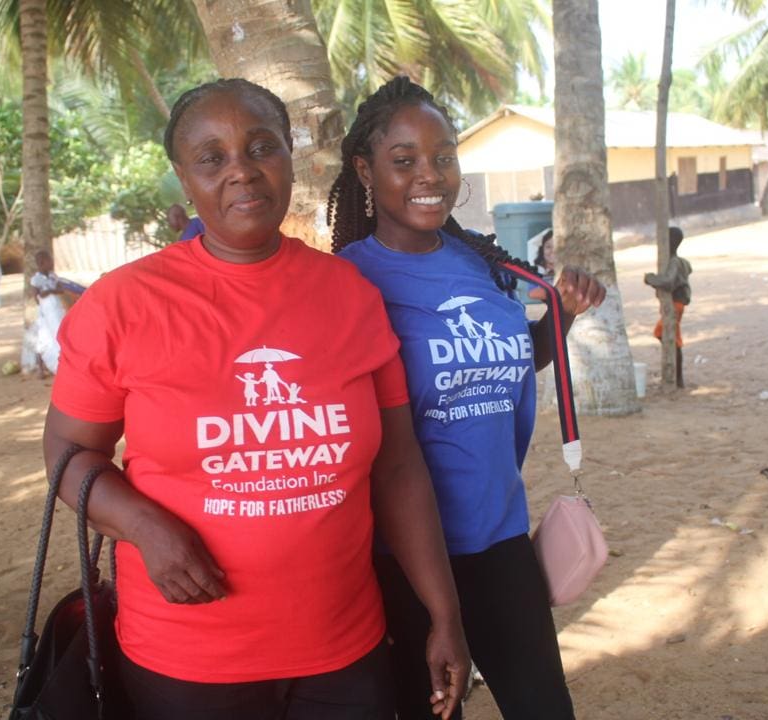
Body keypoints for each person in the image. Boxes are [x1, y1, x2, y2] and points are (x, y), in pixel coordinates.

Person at [42, 78, 469, 720]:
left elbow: (399, 466)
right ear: (184, 177)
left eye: (261, 147)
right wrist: (142, 525)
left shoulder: (349, 295)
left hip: (344, 652)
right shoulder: (123, 304)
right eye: (212, 157)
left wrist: (444, 615)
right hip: (186, 660)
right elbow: (69, 454)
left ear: (288, 158)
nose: (242, 171)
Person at [327, 76, 607, 720]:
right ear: (365, 171)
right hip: (400, 557)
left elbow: (503, 363)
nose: (430, 174)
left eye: (444, 156)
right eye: (404, 161)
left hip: (499, 535)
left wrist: (558, 319)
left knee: (544, 709)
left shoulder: (480, 265)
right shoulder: (346, 281)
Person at [645, 226, 692, 388]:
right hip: (675, 305)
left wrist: (650, 279)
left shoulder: (674, 262)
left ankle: (677, 378)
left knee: (668, 336)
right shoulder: (675, 261)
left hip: (675, 305)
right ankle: (677, 376)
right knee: (669, 336)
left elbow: (668, 281)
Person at [29, 250, 67, 376]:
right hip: (46, 313)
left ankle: (60, 364)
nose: (52, 263)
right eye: (49, 260)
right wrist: (49, 293)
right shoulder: (36, 279)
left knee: (60, 335)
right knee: (44, 338)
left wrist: (50, 291)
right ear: (41, 263)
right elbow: (36, 297)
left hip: (56, 310)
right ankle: (41, 368)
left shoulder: (53, 276)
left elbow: (61, 290)